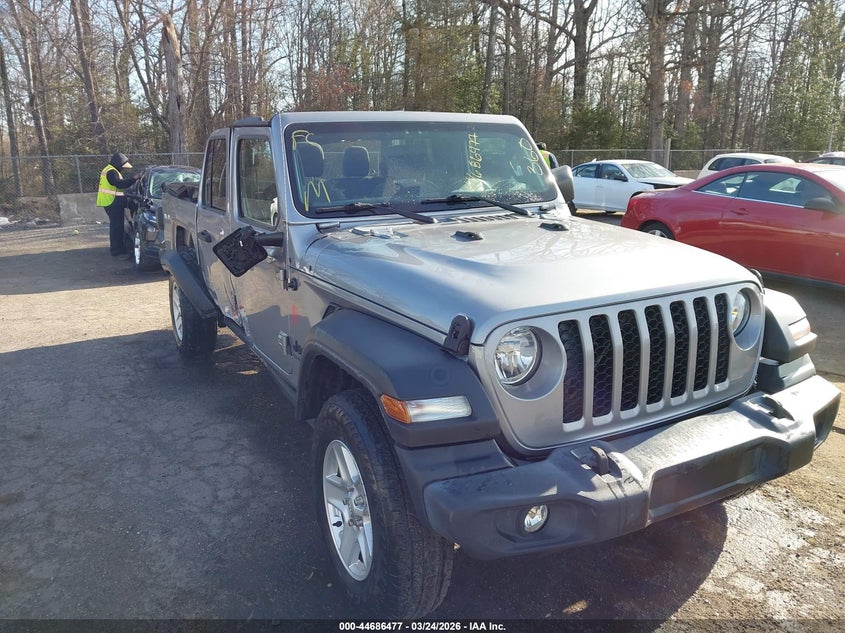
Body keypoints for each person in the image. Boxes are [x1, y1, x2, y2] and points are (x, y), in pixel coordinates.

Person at [97, 152, 139, 256]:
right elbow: (120, 184)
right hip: (111, 202)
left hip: (111, 201)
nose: (123, 169)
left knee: (117, 226)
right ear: (118, 164)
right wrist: (134, 179)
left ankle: (119, 247)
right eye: (122, 166)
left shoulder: (110, 169)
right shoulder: (111, 172)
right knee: (116, 227)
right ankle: (116, 250)